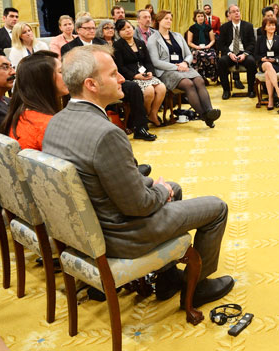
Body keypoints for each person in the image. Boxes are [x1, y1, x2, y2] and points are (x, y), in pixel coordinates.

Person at [42, 45, 234, 308]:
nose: (122, 78)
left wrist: (158, 188)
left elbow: (101, 179)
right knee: (217, 207)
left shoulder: (57, 121)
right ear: (91, 84)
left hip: (89, 228)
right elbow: (139, 206)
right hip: (123, 235)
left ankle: (167, 279)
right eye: (113, 74)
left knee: (173, 187)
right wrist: (160, 191)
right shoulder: (106, 134)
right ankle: (199, 286)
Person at [62, 16, 156, 141]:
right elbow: (72, 73)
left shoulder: (102, 43)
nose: (91, 31)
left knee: (133, 87)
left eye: (93, 28)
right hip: (86, 85)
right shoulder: (69, 48)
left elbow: (113, 66)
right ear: (78, 30)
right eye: (88, 28)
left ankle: (140, 127)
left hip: (106, 80)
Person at [149, 11, 221, 127]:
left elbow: (189, 54)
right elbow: (156, 62)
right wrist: (176, 67)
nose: (169, 21)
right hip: (167, 71)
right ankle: (204, 116)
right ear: (159, 21)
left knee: (199, 80)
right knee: (188, 84)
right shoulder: (153, 39)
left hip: (184, 67)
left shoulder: (177, 36)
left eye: (170, 19)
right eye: (166, 19)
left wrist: (185, 63)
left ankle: (209, 111)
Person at [0, 51, 67, 150]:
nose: (67, 76)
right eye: (61, 72)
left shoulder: (21, 113)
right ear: (43, 80)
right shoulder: (49, 125)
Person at [113, 20, 166, 127]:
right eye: (123, 29)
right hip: (131, 77)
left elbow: (147, 61)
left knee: (161, 88)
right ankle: (144, 115)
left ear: (133, 28)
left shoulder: (140, 42)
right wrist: (135, 76)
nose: (127, 30)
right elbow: (120, 67)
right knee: (149, 91)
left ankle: (153, 113)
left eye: (129, 27)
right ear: (119, 33)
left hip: (145, 74)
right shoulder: (117, 45)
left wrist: (150, 72)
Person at [216, 4, 257, 99]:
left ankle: (251, 89)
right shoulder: (224, 27)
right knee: (221, 62)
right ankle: (226, 90)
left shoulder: (248, 26)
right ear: (229, 15)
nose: (236, 13)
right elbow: (221, 44)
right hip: (230, 52)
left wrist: (245, 54)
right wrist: (229, 53)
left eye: (238, 11)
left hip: (244, 52)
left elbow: (252, 43)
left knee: (251, 62)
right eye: (234, 12)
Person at [254, 16, 279, 109]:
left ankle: (271, 100)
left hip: (275, 64)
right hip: (263, 63)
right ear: (264, 27)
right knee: (267, 65)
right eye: (269, 25)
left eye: (273, 25)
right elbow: (256, 54)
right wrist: (262, 59)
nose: (272, 27)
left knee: (268, 73)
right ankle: (278, 90)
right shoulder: (260, 39)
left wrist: (275, 59)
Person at [186, 9, 217, 82]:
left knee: (212, 55)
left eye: (202, 16)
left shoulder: (208, 27)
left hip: (207, 48)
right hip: (196, 48)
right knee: (198, 55)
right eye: (198, 16)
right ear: (195, 18)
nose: (200, 18)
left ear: (204, 17)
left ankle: (211, 75)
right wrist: (196, 47)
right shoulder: (192, 28)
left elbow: (213, 40)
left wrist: (209, 45)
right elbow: (189, 42)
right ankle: (200, 77)